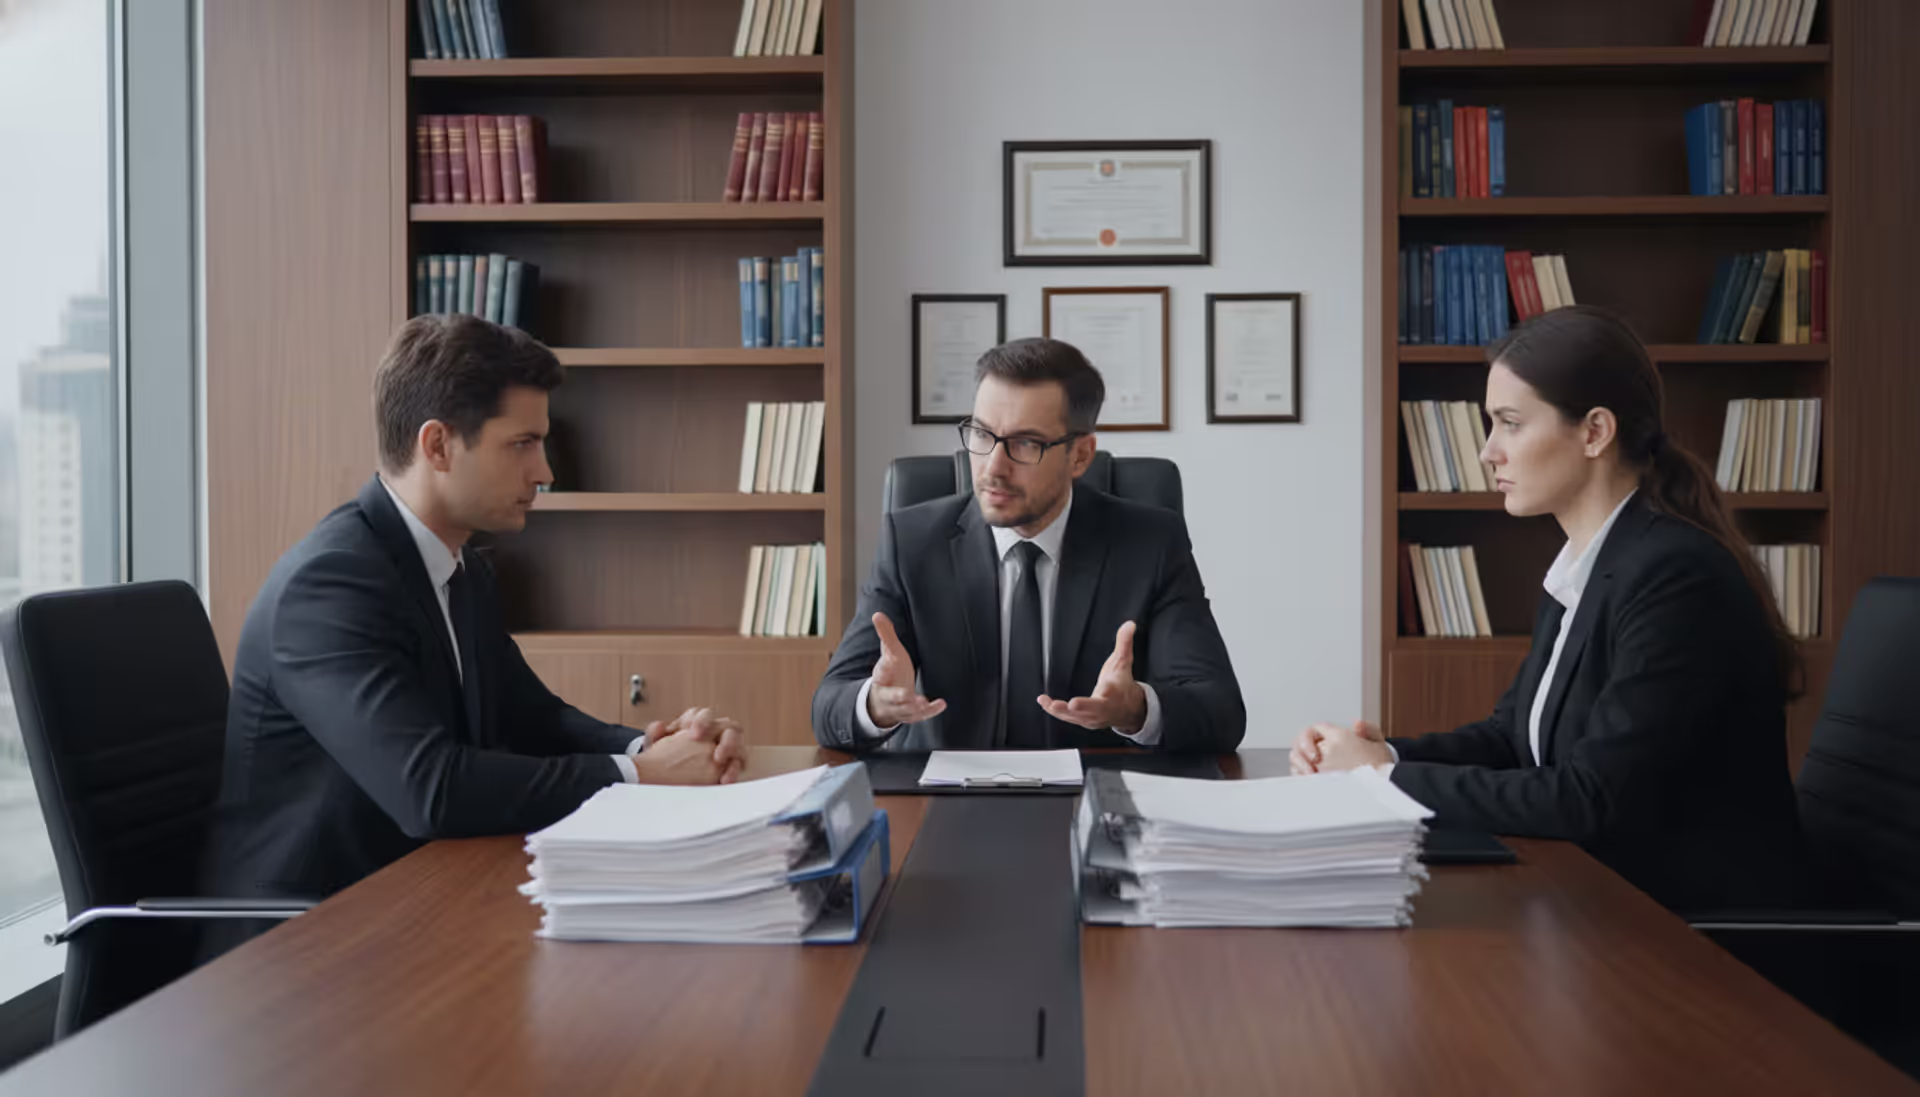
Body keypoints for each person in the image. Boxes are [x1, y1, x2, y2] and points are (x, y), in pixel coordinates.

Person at [207, 315, 748, 911]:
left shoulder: (461, 568)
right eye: (522, 444)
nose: (544, 472)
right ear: (437, 445)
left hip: (414, 895)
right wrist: (644, 777)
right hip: (304, 940)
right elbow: (430, 788)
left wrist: (653, 746)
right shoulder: (331, 586)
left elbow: (531, 718)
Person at [1292, 305, 1805, 911]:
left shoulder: (1675, 576)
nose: (1488, 452)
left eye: (1510, 423)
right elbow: (1515, 738)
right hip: (1602, 900)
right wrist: (1385, 755)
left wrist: (1381, 779)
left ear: (1594, 432)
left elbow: (1592, 798)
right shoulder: (1589, 563)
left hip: (1696, 937)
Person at [813, 337, 1244, 752]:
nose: (993, 468)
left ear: (1079, 456)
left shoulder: (1150, 544)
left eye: (1025, 443)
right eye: (981, 435)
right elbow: (828, 705)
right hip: (946, 795)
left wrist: (1135, 710)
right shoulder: (911, 542)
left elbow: (1222, 712)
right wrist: (875, 704)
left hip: (1091, 795)